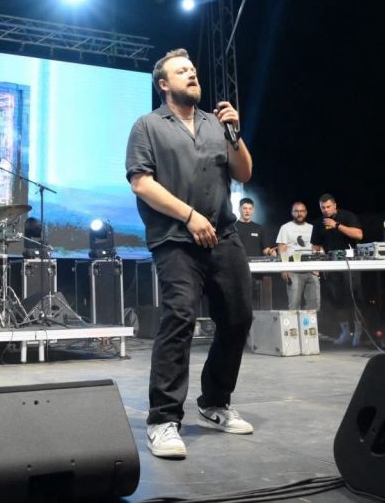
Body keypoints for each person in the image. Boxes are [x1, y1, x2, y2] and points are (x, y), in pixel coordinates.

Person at [126, 48, 255, 460]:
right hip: (175, 238)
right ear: (164, 84)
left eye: (193, 69)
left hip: (223, 235)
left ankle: (214, 402)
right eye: (182, 71)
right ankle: (163, 419)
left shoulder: (216, 124)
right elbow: (141, 183)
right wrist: (189, 216)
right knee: (180, 317)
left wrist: (235, 133)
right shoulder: (148, 125)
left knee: (238, 317)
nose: (192, 73)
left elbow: (244, 172)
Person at [310, 194, 363, 346]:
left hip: (351, 263)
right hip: (331, 263)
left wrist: (337, 225)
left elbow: (359, 235)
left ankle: (358, 332)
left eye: (328, 207)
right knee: (336, 298)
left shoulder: (347, 216)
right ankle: (345, 332)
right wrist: (315, 265)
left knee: (355, 297)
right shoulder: (318, 223)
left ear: (334, 205)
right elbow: (315, 247)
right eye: (322, 208)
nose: (325, 210)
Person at [275, 202, 318, 312]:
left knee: (314, 305)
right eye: (296, 211)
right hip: (293, 270)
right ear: (292, 212)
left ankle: (310, 324)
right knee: (294, 305)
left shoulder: (312, 228)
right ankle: (294, 324)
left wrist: (318, 267)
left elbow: (317, 247)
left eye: (302, 211)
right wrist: (284, 268)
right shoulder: (285, 228)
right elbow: (282, 249)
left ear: (306, 212)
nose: (299, 213)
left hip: (311, 269)